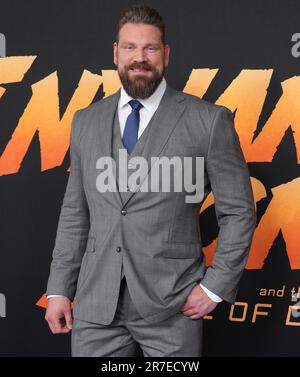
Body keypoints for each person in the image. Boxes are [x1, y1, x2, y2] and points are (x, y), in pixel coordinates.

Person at [45, 4, 256, 357]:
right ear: (116, 53)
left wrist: (215, 287)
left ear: (166, 54)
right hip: (97, 307)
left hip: (171, 305)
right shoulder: (85, 122)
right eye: (130, 47)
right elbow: (75, 214)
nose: (139, 58)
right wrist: (58, 289)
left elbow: (239, 211)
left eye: (150, 48)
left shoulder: (208, 121)